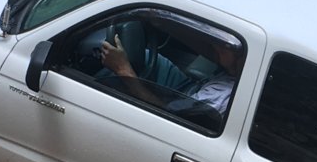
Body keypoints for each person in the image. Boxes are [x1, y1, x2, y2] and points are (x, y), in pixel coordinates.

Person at [98, 31, 241, 123]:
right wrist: (160, 24)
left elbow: (170, 114)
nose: (218, 45)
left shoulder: (222, 97)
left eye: (226, 46)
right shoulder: (237, 68)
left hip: (178, 108)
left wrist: (123, 70)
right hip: (191, 90)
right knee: (147, 58)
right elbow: (212, 51)